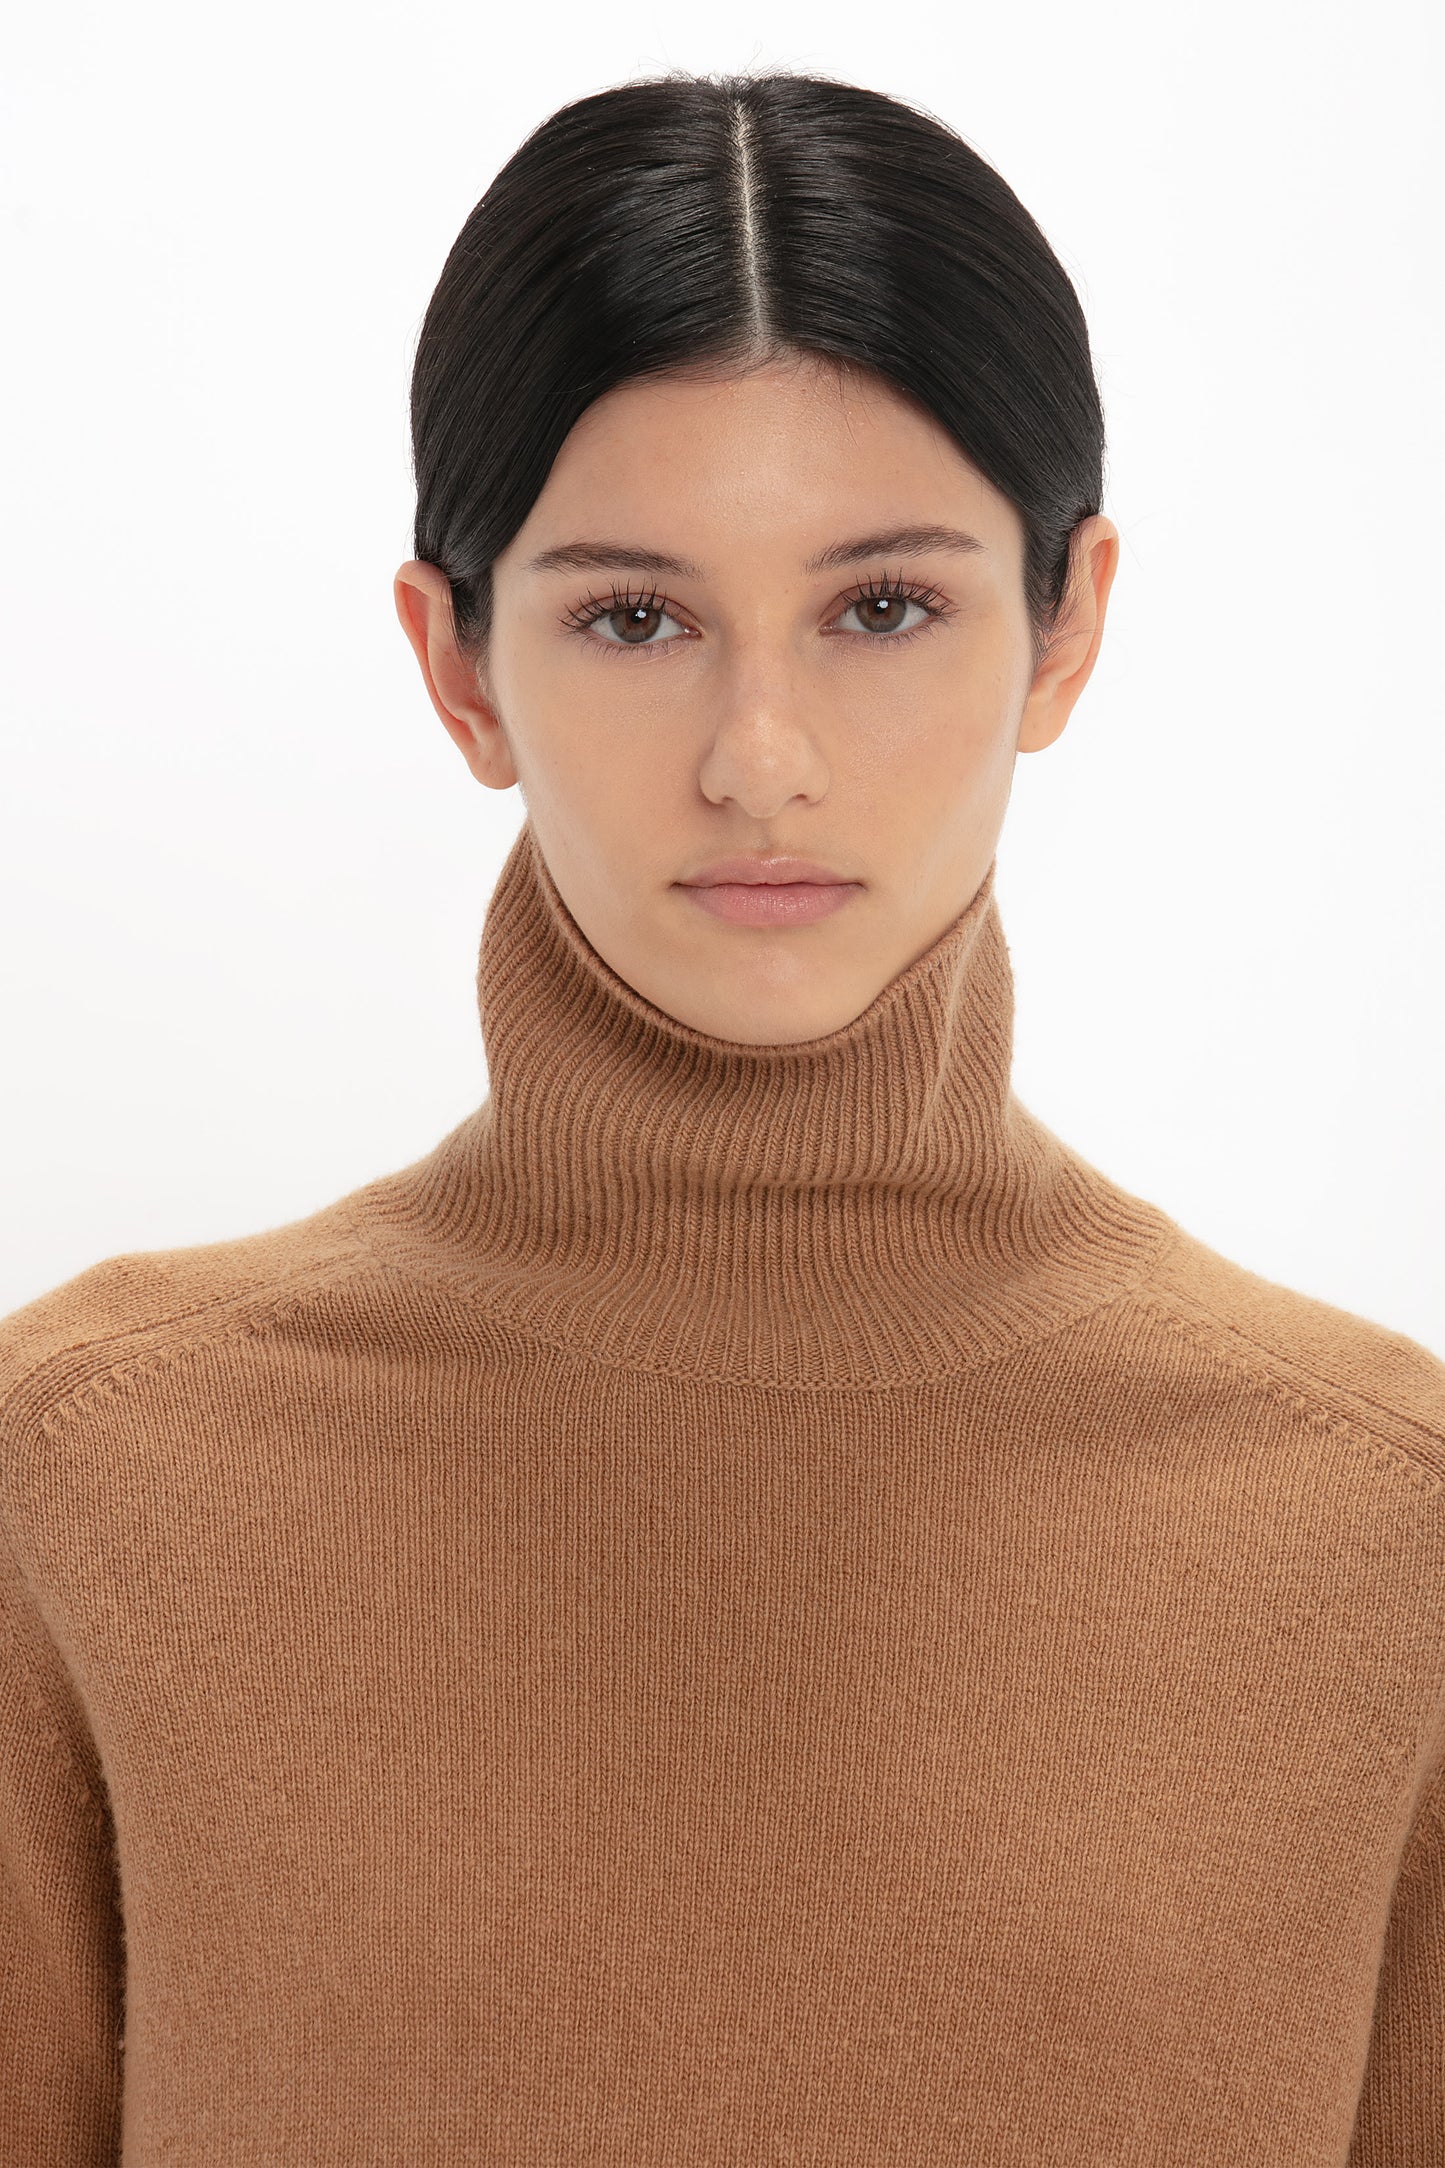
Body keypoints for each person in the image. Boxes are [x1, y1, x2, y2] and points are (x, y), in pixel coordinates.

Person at [2, 69, 1441, 2166]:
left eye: (882, 606)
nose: (760, 756)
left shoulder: (1379, 1534)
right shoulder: (90, 1476)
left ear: (1070, 624)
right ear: (459, 668)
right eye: (635, 616)